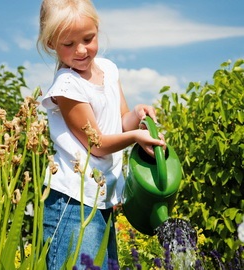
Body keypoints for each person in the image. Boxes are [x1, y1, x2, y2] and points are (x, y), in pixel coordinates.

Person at [37, 0, 166, 269]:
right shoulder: (67, 86)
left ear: (97, 29)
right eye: (68, 44)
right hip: (72, 201)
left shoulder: (108, 69)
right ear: (51, 43)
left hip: (101, 197)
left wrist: (138, 115)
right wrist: (135, 138)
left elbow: (120, 122)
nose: (81, 50)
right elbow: (97, 144)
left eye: (88, 38)